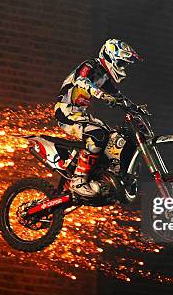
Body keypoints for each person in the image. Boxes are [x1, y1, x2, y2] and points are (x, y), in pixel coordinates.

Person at [55, 38, 143, 197]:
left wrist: (135, 107)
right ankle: (78, 179)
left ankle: (108, 175)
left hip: (80, 113)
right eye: (122, 64)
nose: (123, 68)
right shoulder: (90, 65)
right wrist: (101, 94)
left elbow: (118, 96)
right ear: (111, 57)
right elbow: (81, 81)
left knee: (113, 138)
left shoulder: (104, 77)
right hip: (65, 110)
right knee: (98, 135)